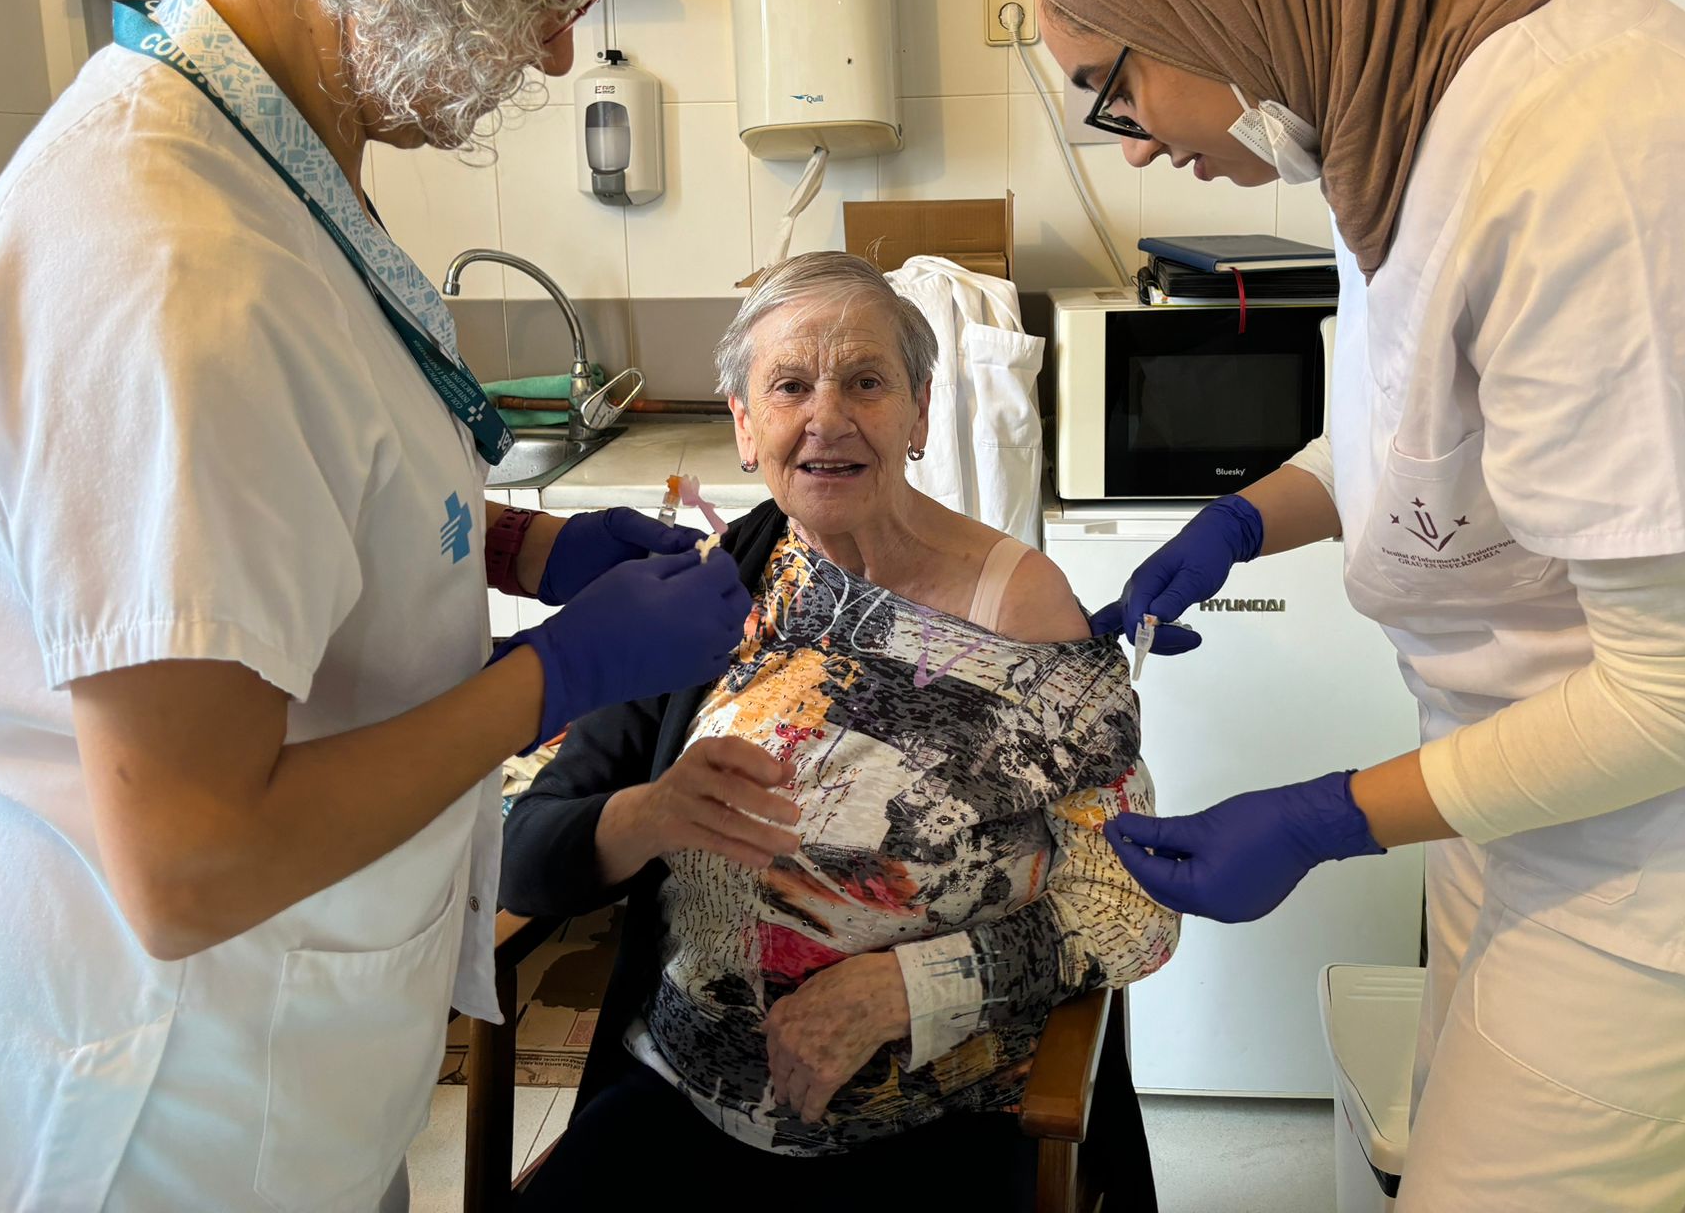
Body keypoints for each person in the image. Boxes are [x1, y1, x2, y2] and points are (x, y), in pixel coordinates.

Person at [0, 0, 748, 1211]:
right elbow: (191, 861)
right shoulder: (168, 260)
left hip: (266, 1071)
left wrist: (526, 547)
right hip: (117, 1111)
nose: (543, 46)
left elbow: (302, 499)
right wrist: (560, 670)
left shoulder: (264, 158)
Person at [1029, 0, 1685, 1211]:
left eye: (1116, 84)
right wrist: (1247, 518)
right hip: (1533, 793)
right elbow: (1431, 428)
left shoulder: (1599, 165)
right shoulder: (1399, 100)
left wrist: (1318, 818)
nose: (1134, 141)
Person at [503, 253, 1179, 1212]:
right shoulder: (698, 598)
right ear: (743, 424)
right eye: (789, 386)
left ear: (919, 415)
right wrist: (652, 814)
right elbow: (522, 855)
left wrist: (909, 988)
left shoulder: (1017, 610)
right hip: (685, 1102)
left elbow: (1132, 904)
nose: (828, 417)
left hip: (938, 1126)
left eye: (866, 381)